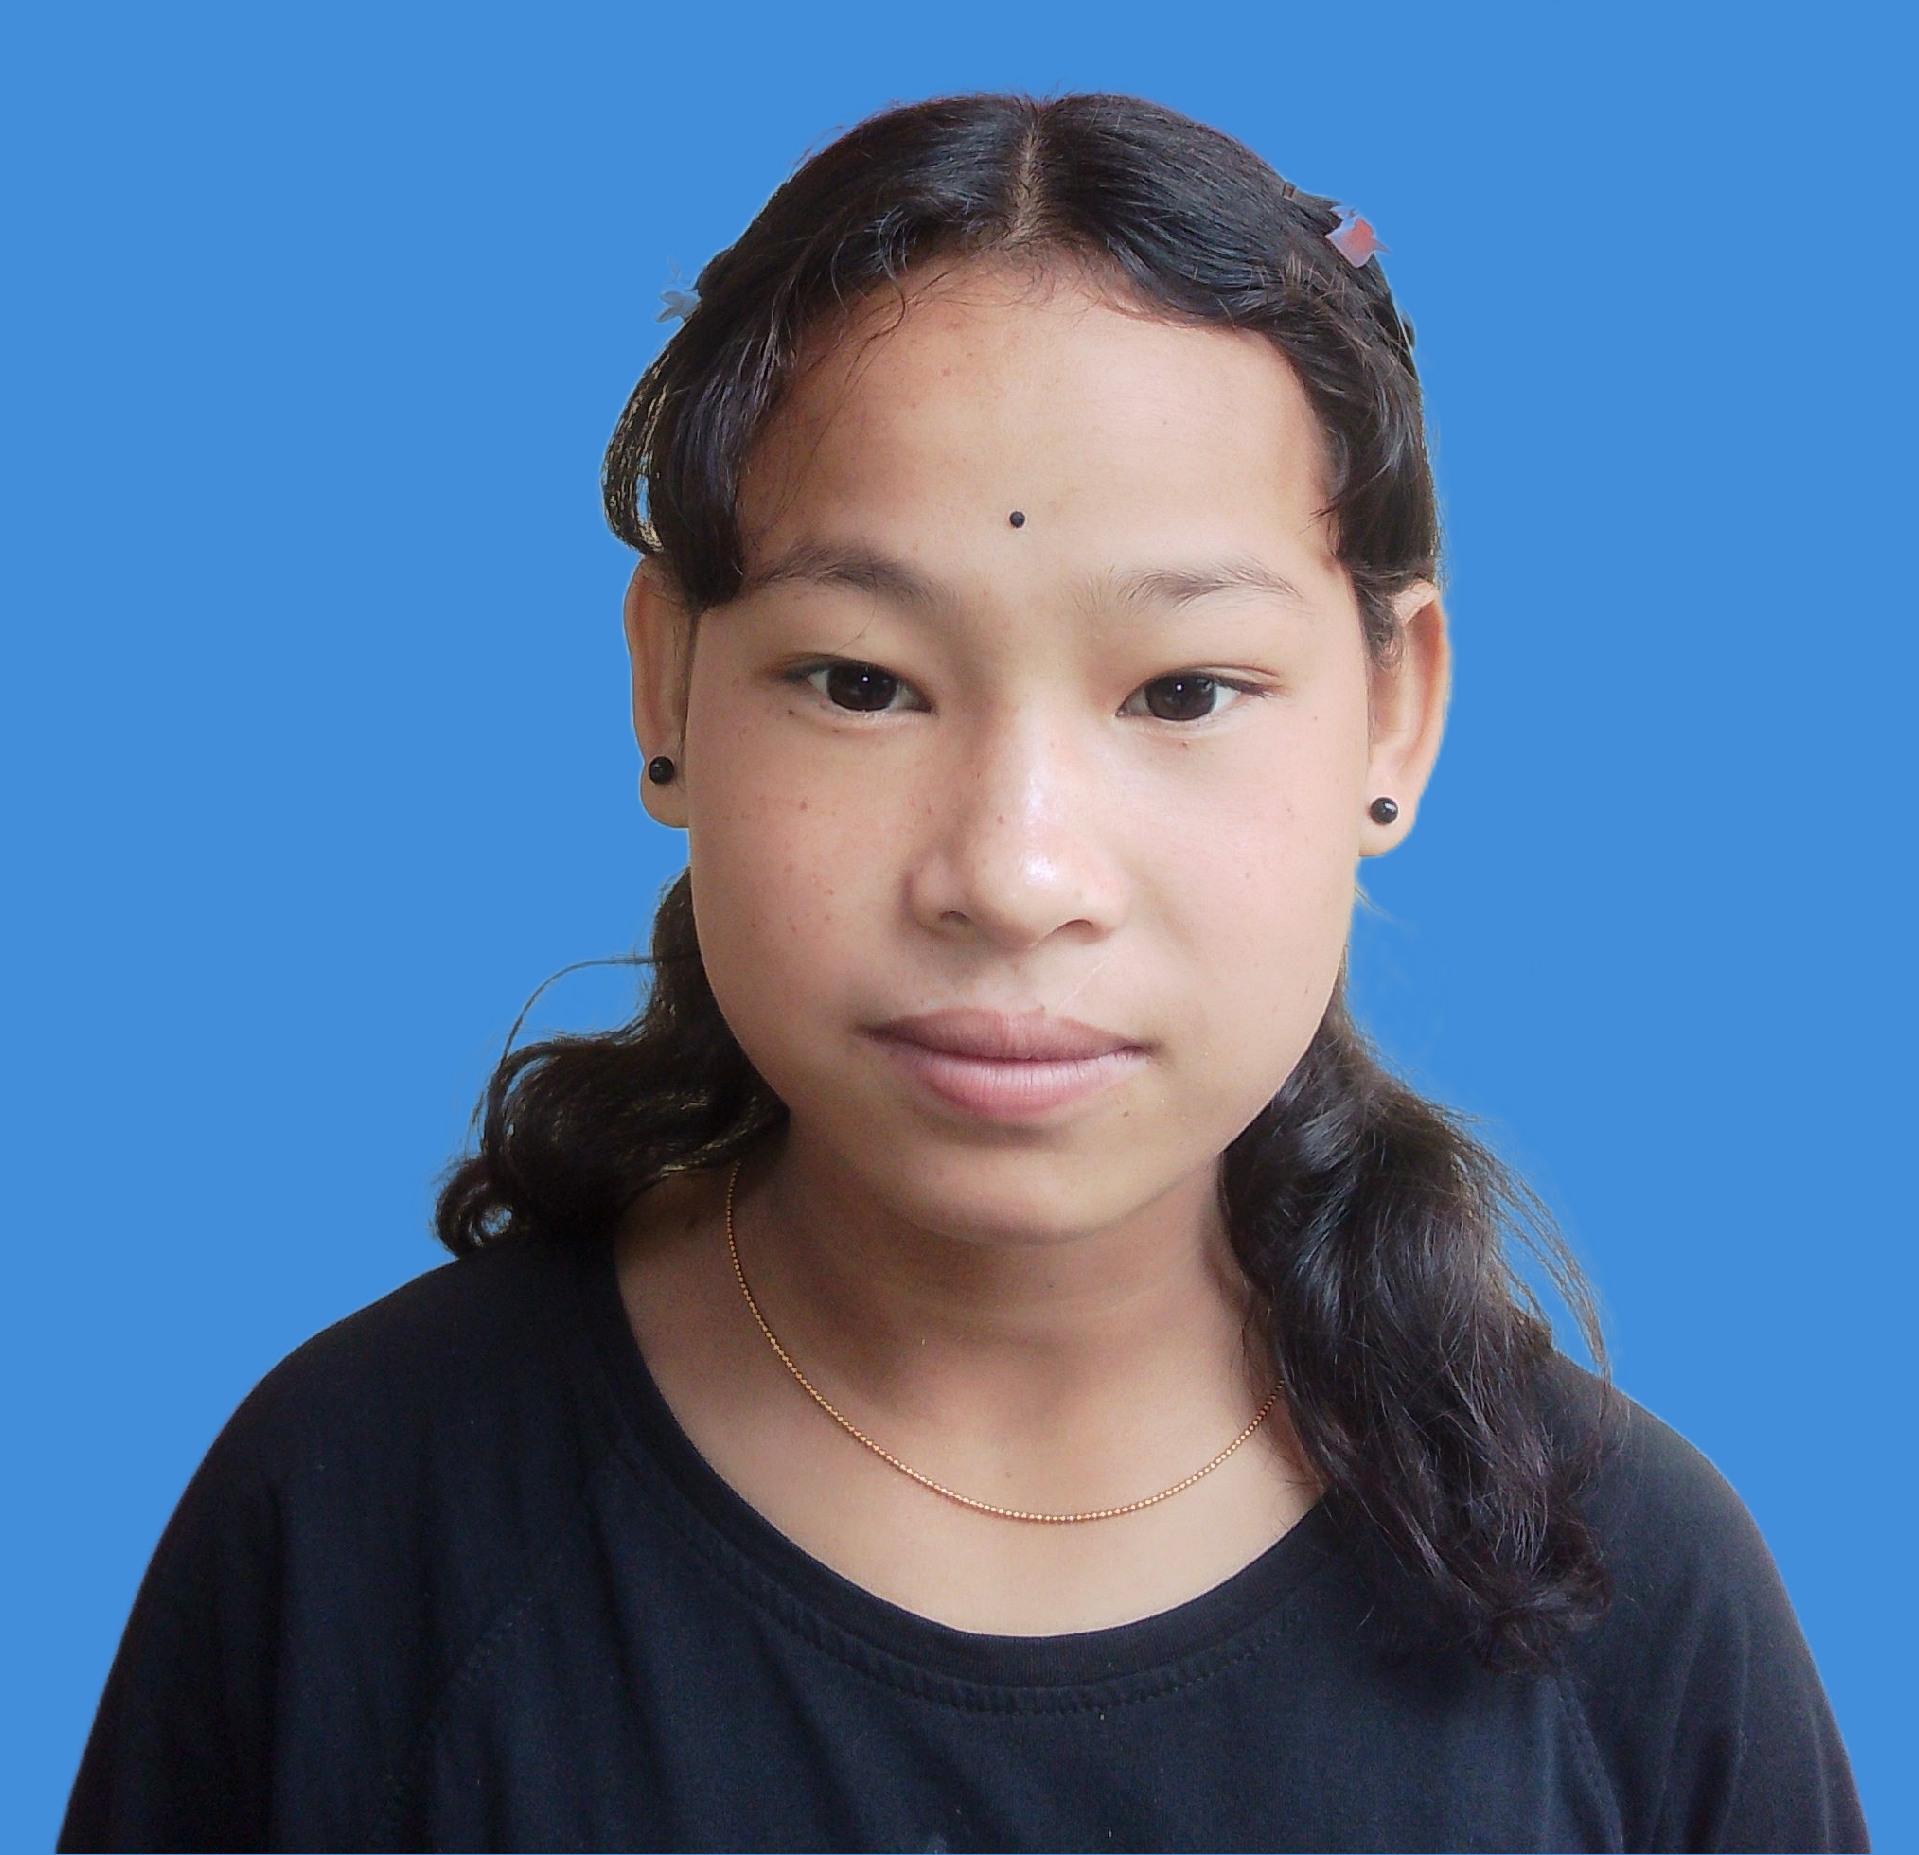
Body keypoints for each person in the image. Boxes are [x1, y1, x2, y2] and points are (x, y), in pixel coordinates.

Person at [59, 91, 1868, 1853]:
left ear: (1394, 716)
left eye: (1183, 692)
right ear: (668, 685)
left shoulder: (1634, 1614)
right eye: (862, 682)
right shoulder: (357, 1528)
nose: (1014, 874)